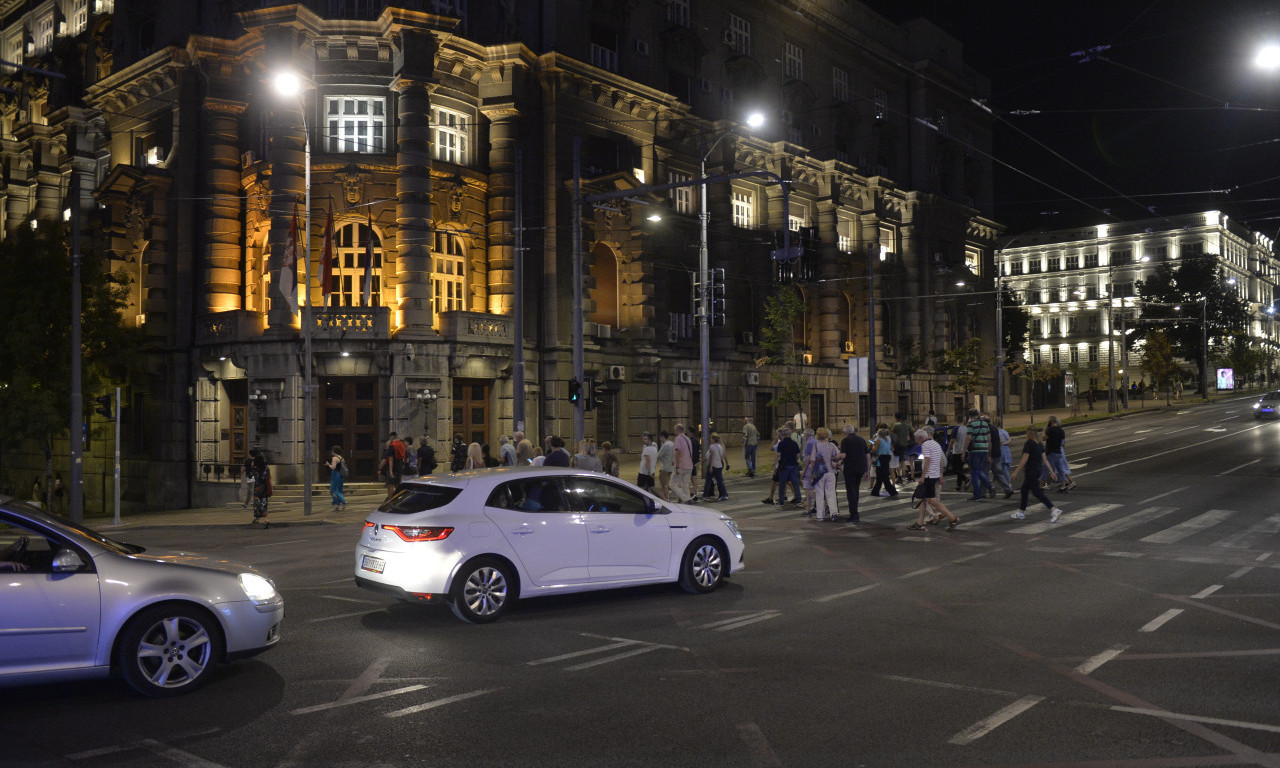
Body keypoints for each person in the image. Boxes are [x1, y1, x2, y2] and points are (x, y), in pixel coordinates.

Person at [907, 428, 960, 531]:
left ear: (921, 437)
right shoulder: (935, 444)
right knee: (924, 499)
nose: (916, 441)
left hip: (928, 476)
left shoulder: (925, 445)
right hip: (934, 475)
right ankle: (920, 522)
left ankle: (952, 518)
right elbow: (940, 460)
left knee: (931, 500)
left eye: (917, 439)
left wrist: (922, 477)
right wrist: (940, 475)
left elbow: (927, 461)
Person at [1009, 426, 1063, 522]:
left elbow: (1024, 459)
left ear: (1028, 433)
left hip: (1031, 471)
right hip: (1038, 470)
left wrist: (1015, 472)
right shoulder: (1040, 444)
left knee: (1036, 492)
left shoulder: (1029, 443)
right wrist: (1052, 471)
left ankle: (1054, 509)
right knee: (1024, 490)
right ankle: (1021, 512)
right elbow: (1045, 459)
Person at [806, 427, 840, 521]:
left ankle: (820, 515)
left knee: (819, 493)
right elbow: (838, 457)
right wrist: (836, 465)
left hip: (819, 472)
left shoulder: (816, 446)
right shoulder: (832, 445)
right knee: (831, 492)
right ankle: (834, 512)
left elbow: (813, 461)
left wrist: (811, 473)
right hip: (831, 472)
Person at [838, 424, 870, 523]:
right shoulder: (862, 439)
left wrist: (835, 458)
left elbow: (843, 455)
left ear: (845, 432)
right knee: (855, 490)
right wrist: (867, 470)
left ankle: (854, 514)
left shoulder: (845, 441)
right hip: (860, 468)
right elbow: (868, 455)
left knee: (851, 492)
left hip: (850, 469)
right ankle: (855, 512)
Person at [963, 408, 994, 501]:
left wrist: (964, 451)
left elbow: (968, 438)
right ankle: (988, 487)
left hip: (974, 450)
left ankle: (979, 494)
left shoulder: (970, 424)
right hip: (984, 450)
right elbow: (989, 439)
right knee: (978, 470)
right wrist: (989, 453)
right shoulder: (985, 424)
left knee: (974, 473)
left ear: (969, 416)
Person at [1044, 415, 1076, 492]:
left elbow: (1044, 438)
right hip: (1059, 450)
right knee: (1057, 468)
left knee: (1055, 468)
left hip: (1054, 451)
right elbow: (1063, 443)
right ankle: (1054, 484)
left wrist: (1045, 430)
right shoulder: (1061, 431)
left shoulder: (1050, 430)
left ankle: (1070, 482)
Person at [774, 426, 803, 507]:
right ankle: (798, 500)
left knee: (782, 484)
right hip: (793, 465)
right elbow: (798, 455)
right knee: (795, 483)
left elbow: (778, 455)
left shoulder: (781, 443)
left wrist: (775, 466)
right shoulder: (794, 443)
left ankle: (781, 501)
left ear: (784, 434)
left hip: (784, 466)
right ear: (790, 434)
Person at [869, 426, 898, 498]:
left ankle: (893, 492)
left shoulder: (879, 440)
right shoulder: (888, 440)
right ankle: (875, 492)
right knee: (880, 476)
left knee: (883, 476)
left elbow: (874, 450)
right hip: (887, 458)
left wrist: (872, 447)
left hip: (881, 458)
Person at [671, 424, 695, 503]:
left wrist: (677, 467)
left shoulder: (678, 439)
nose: (674, 432)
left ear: (678, 430)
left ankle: (686, 499)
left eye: (674, 430)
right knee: (685, 485)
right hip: (689, 465)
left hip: (681, 465)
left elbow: (678, 452)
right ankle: (687, 501)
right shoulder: (688, 439)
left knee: (672, 484)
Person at [992, 417, 1015, 499]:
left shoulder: (995, 432)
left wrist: (1001, 443)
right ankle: (993, 483)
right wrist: (1005, 443)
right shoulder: (1004, 431)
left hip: (1000, 451)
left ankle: (1008, 484)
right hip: (1006, 450)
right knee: (998, 468)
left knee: (1001, 468)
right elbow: (1009, 439)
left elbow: (1000, 440)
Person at [701, 432, 728, 501]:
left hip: (713, 465)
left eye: (711, 438)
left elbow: (712, 456)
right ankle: (724, 495)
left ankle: (705, 495)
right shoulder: (720, 446)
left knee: (708, 481)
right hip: (719, 465)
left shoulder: (712, 446)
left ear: (713, 439)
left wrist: (711, 466)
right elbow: (722, 456)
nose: (710, 440)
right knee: (720, 481)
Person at [251, 449, 272, 528]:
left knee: (258, 504)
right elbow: (268, 478)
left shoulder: (255, 469)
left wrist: (252, 466)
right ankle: (257, 518)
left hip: (258, 488)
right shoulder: (266, 468)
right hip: (265, 488)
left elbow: (251, 475)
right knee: (264, 503)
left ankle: (266, 519)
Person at [890, 413, 913, 484]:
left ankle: (899, 477)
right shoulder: (907, 425)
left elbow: (891, 433)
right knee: (902, 461)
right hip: (904, 445)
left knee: (897, 461)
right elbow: (912, 430)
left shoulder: (895, 425)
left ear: (896, 418)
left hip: (897, 445)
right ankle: (907, 474)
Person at [947, 418, 968, 492]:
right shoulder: (966, 429)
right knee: (960, 468)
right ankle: (958, 486)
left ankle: (966, 479)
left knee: (955, 469)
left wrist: (948, 450)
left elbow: (952, 440)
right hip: (965, 451)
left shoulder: (956, 428)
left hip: (957, 451)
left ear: (956, 421)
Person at [326, 446, 347, 512]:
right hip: (341, 475)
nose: (331, 452)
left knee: (333, 490)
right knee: (339, 490)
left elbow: (333, 467)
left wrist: (328, 464)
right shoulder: (341, 457)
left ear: (334, 451)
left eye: (332, 450)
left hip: (336, 475)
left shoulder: (334, 458)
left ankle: (343, 501)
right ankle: (337, 506)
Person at [656, 430, 675, 499]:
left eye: (660, 437)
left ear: (663, 437)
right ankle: (678, 496)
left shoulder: (665, 445)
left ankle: (666, 498)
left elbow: (659, 455)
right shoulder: (672, 444)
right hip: (671, 467)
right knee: (670, 484)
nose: (659, 439)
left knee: (665, 485)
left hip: (665, 467)